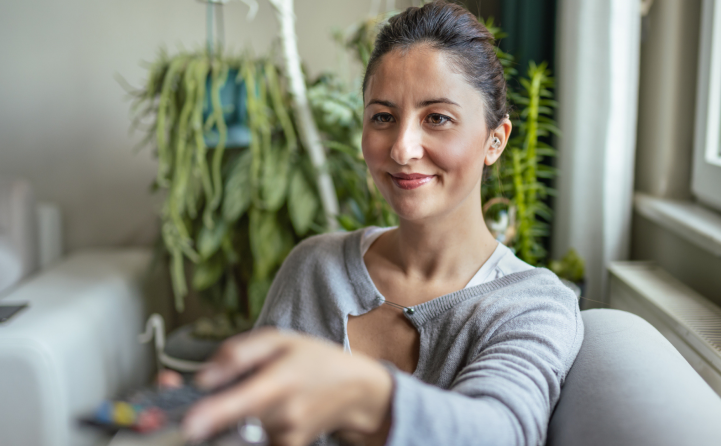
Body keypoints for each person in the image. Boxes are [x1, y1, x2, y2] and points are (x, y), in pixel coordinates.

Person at [168, 2, 584, 445]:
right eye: (383, 117)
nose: (402, 149)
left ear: (495, 141)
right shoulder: (314, 267)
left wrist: (360, 395)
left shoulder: (533, 304)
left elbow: (502, 431)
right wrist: (208, 419)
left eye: (437, 118)